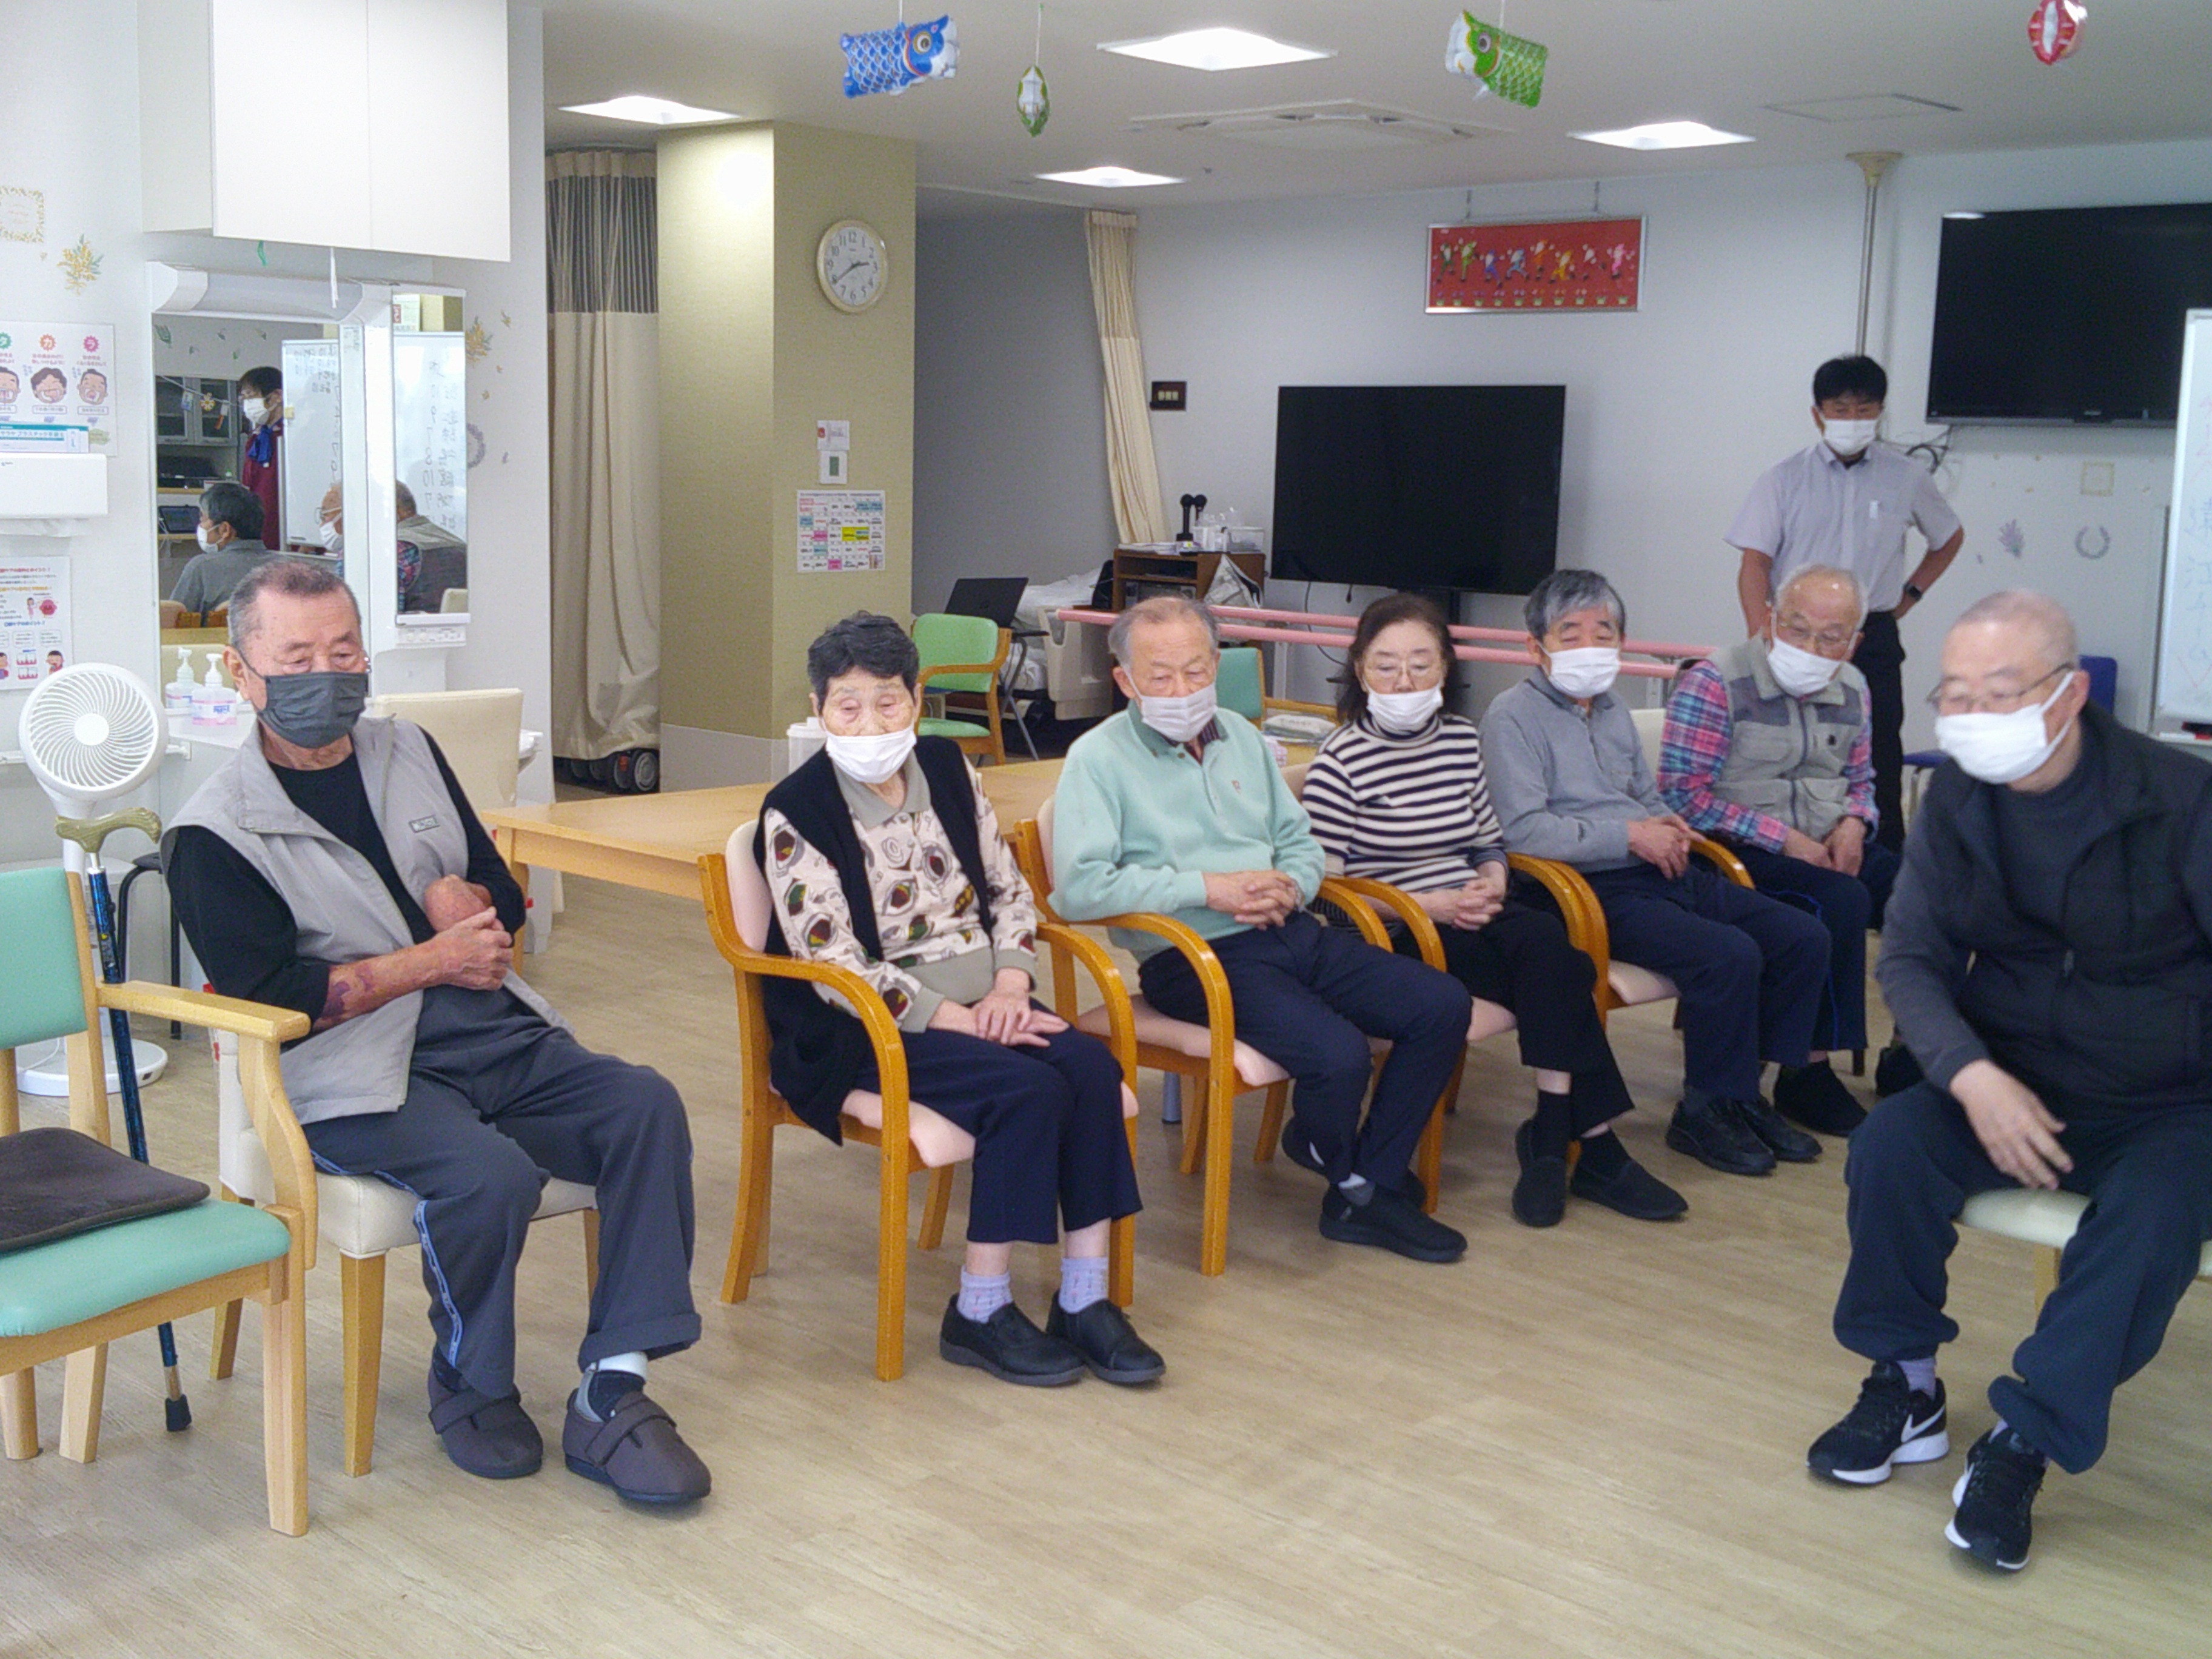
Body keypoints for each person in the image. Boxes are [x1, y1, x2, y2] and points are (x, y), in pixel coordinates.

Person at [163, 558, 709, 1504]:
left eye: (344, 651)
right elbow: (274, 1001)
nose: (327, 675)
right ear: (241, 672)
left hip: (489, 1032)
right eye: (297, 658)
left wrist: (466, 902)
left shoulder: (407, 747)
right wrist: (430, 957)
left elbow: (497, 891)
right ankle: (469, 1384)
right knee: (487, 1177)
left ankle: (613, 1388)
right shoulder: (212, 832)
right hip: (346, 1073)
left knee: (644, 1108)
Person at [1809, 591, 2212, 1572]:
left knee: (2155, 1218)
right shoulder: (1958, 799)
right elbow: (1910, 956)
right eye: (1954, 693)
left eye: (1999, 692)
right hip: (2009, 1079)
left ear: (2068, 695)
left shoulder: (2181, 799)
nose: (1971, 713)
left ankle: (2025, 1436)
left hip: (2163, 1099)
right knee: (1889, 1146)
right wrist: (1971, 1075)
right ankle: (1905, 1383)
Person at [759, 612, 1161, 1387]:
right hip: (873, 1028)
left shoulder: (947, 768)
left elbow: (1008, 889)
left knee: (1088, 1068)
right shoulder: (797, 810)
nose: (870, 723)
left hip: (991, 1004)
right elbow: (830, 960)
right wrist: (956, 1020)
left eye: (888, 702)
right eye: (848, 706)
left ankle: (1084, 1298)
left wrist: (1011, 984)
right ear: (818, 709)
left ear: (917, 700)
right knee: (1027, 1090)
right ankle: (979, 1309)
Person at [1053, 594, 1476, 1264]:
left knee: (1442, 1004)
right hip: (1192, 956)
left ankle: (1362, 1181)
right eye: (1160, 676)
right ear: (1125, 681)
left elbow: (1300, 842)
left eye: (1197, 671)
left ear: (1217, 664)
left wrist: (1292, 885)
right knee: (1339, 1054)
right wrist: (1209, 889)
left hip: (1288, 926)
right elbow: (1080, 890)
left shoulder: (1240, 736)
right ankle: (1357, 1181)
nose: (1182, 690)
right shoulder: (1097, 758)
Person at [1302, 592, 1686, 1228]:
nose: (1406, 681)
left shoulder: (1461, 738)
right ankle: (1585, 1146)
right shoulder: (1340, 760)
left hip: (1471, 910)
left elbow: (1487, 839)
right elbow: (1328, 893)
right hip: (1398, 929)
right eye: (1388, 666)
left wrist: (1492, 880)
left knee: (1554, 953)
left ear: (1446, 668)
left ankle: (1559, 1137)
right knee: (1556, 969)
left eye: (1422, 664)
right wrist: (1432, 905)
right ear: (1361, 670)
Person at [1481, 569, 1832, 1179]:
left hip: (1654, 866)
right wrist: (1630, 835)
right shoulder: (1510, 717)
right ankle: (1703, 1112)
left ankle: (1745, 1097)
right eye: (1571, 633)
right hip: (1584, 887)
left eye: (1604, 633)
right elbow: (1523, 833)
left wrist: (1667, 822)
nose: (1591, 646)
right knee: (1728, 954)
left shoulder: (1613, 708)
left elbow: (1643, 793)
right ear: (1536, 647)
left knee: (1801, 935)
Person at [1657, 565, 1896, 1135]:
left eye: (1831, 637)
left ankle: (1912, 1054)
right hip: (1736, 848)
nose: (1811, 648)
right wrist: (1785, 840)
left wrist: (1855, 824)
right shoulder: (1716, 682)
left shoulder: (1855, 687)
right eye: (1797, 628)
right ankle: (1806, 1071)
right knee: (1841, 900)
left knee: (1930, 891)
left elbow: (1862, 780)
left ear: (1854, 642)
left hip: (1826, 839)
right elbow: (1682, 798)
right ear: (1769, 621)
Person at [1729, 354, 1965, 854]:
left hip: (1871, 632)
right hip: (1795, 635)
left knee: (1880, 751)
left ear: (1879, 412)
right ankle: (1791, 849)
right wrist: (1760, 635)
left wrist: (1909, 597)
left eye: (1864, 409)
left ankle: (1884, 867)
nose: (1852, 420)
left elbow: (1948, 538)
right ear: (1818, 415)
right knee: (1790, 745)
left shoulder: (1906, 476)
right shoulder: (1783, 478)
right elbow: (1755, 563)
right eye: (1840, 409)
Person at [169, 478, 280, 616]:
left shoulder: (202, 568)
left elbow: (173, 618)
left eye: (203, 518)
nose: (200, 525)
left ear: (224, 530)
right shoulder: (288, 566)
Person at [236, 364, 284, 545]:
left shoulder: (291, 438)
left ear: (276, 396)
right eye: (244, 398)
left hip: (288, 529)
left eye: (252, 396)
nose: (248, 404)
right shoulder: (256, 438)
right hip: (260, 531)